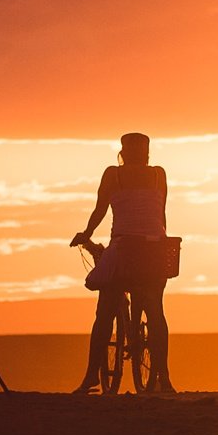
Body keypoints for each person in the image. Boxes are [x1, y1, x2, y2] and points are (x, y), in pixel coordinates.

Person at [71, 133, 175, 394]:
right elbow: (160, 213)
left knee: (105, 310)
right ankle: (164, 378)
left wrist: (86, 234)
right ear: (148, 152)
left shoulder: (112, 175)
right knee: (157, 312)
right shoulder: (158, 175)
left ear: (122, 152)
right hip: (155, 250)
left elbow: (100, 210)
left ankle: (91, 377)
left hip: (124, 249)